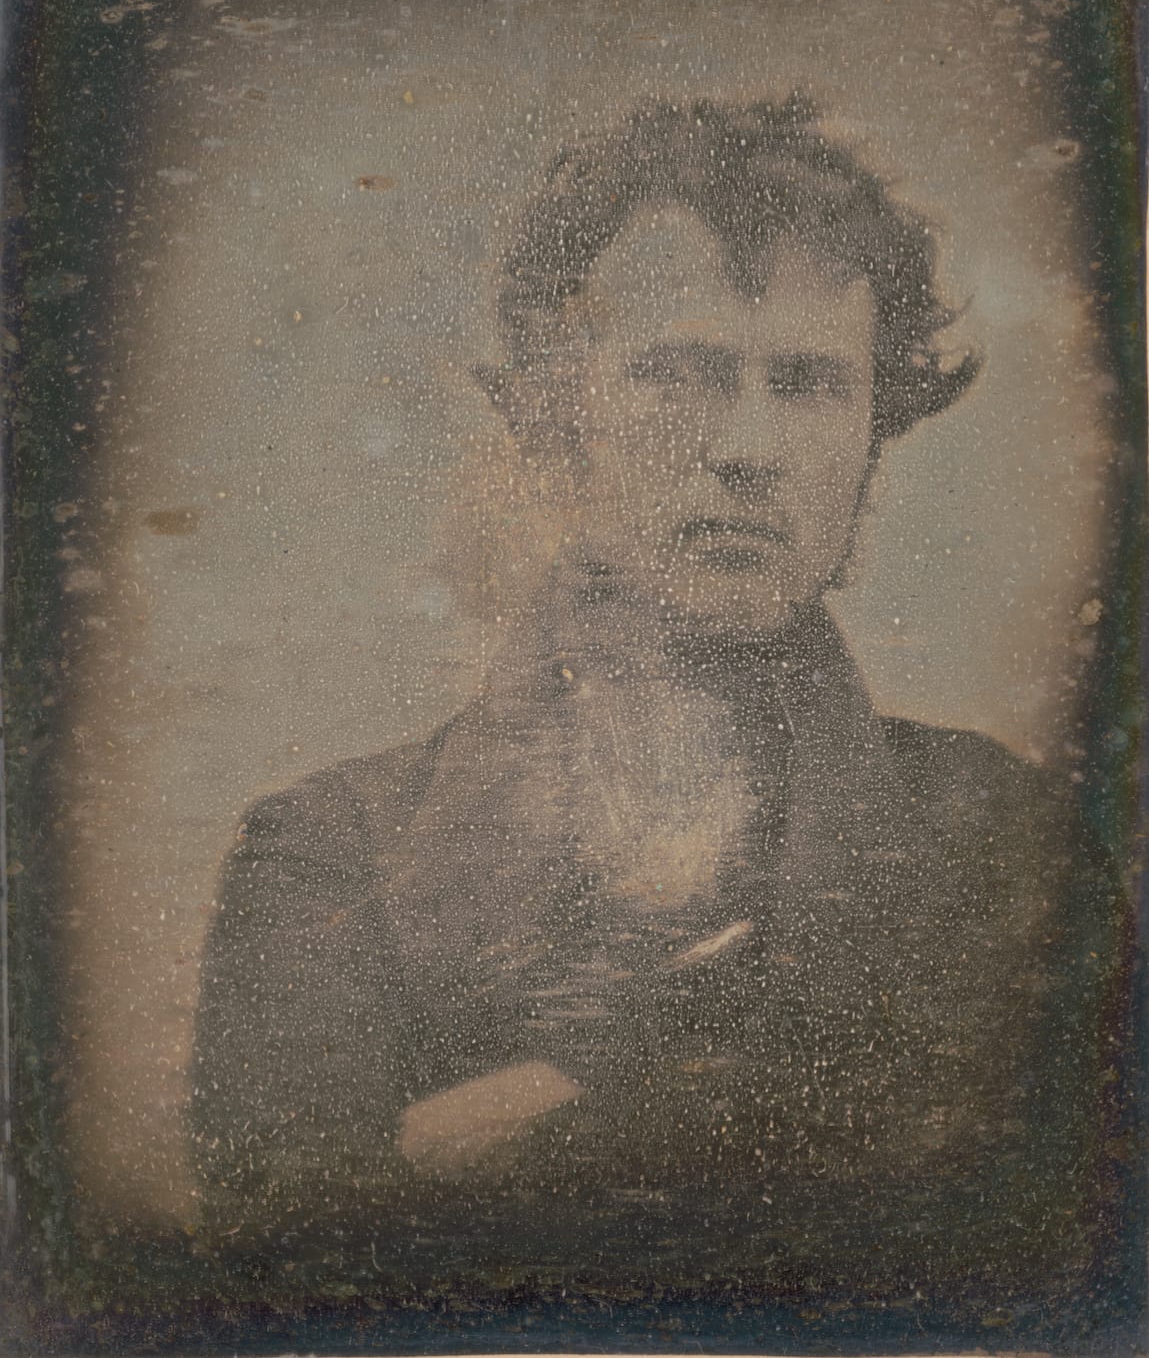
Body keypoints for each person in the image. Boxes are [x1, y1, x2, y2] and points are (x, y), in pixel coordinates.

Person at [189, 96, 1130, 1299]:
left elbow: (1056, 1278)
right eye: (678, 374)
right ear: (552, 419)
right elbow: (293, 1292)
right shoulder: (330, 857)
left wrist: (569, 1102)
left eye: (808, 384)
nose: (750, 445)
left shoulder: (1005, 842)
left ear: (870, 437)